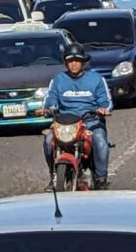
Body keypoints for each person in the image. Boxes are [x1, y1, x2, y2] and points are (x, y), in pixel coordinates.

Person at [41, 43, 112, 190]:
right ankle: (53, 175)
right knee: (48, 141)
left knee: (99, 140)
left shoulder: (97, 79)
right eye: (70, 61)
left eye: (77, 60)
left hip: (90, 121)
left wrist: (103, 109)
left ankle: (101, 177)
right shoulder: (58, 80)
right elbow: (51, 99)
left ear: (83, 62)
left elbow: (107, 102)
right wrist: (47, 109)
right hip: (65, 123)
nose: (73, 64)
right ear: (65, 63)